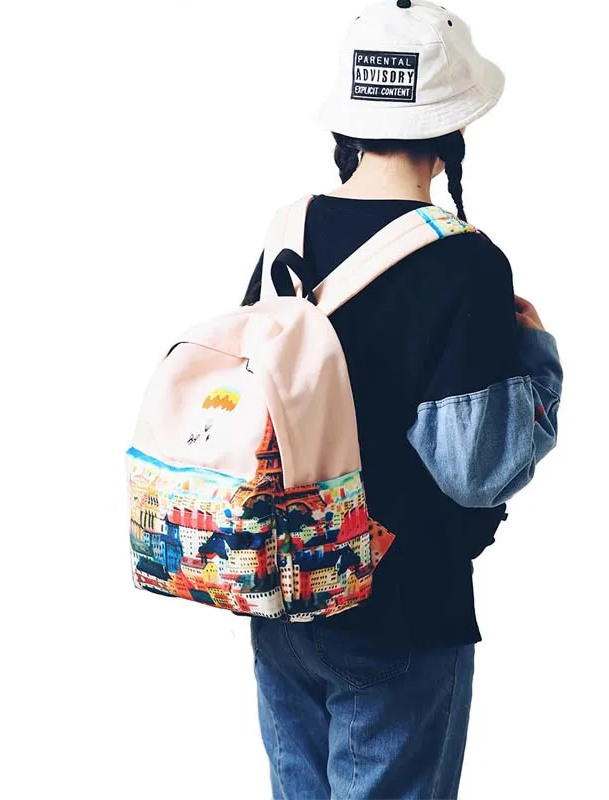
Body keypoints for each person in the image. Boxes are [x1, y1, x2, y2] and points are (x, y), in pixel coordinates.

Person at [241, 2, 563, 797]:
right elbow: (477, 472)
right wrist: (537, 357)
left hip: (284, 590)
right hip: (401, 607)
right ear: (455, 125)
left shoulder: (288, 230)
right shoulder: (465, 263)